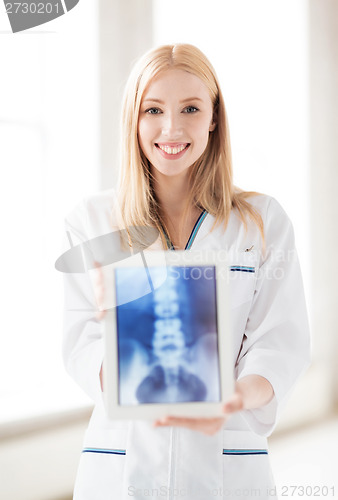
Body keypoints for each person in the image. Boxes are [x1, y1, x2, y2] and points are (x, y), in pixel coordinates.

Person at [61, 44, 311, 500]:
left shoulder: (261, 221)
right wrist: (120, 338)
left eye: (191, 108)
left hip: (229, 458)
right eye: (152, 109)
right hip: (122, 462)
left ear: (214, 117)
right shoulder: (92, 221)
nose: (171, 128)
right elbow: (80, 345)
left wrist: (236, 397)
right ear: (132, 120)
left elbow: (279, 342)